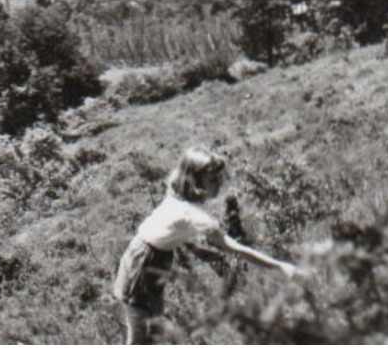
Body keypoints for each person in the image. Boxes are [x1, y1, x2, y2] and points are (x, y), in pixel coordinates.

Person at [112, 147, 299, 344]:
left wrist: (198, 249)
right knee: (143, 334)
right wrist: (280, 266)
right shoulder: (193, 214)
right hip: (144, 265)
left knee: (148, 324)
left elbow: (174, 229)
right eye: (212, 180)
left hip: (141, 254)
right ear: (194, 180)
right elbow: (235, 248)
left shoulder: (178, 191)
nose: (218, 185)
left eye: (219, 178)